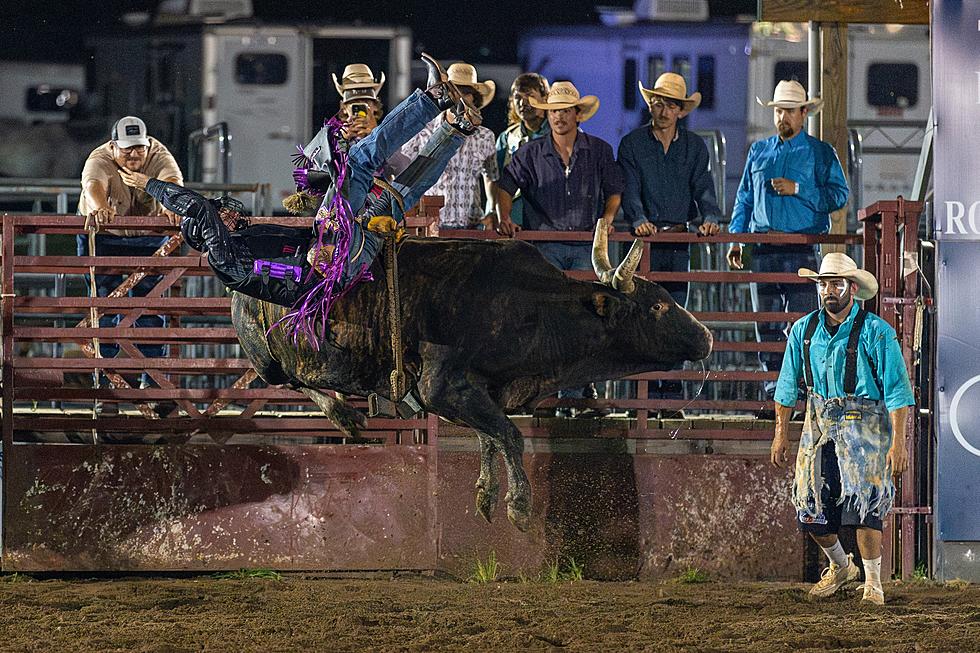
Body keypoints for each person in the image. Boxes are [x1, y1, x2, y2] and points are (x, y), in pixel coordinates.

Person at [120, 54, 482, 344]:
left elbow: (297, 238)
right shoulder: (223, 256)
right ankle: (447, 119)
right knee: (388, 189)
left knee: (375, 175)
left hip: (332, 248)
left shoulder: (244, 238)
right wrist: (150, 184)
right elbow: (208, 210)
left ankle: (450, 120)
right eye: (218, 218)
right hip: (331, 269)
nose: (226, 215)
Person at [770, 253, 913, 606]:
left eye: (835, 283)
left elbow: (897, 391)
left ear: (852, 288)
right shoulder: (803, 331)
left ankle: (873, 583)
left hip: (865, 425)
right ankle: (840, 566)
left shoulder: (878, 333)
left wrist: (898, 443)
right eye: (823, 284)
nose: (828, 290)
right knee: (811, 505)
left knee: (865, 505)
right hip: (818, 421)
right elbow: (787, 386)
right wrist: (780, 434)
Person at [495, 81, 624, 416]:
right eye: (553, 112)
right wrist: (504, 216)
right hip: (546, 245)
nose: (558, 118)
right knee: (548, 321)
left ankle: (578, 392)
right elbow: (505, 186)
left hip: (583, 243)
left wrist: (607, 218)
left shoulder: (598, 151)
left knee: (586, 319)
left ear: (577, 115)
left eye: (564, 111)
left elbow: (613, 190)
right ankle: (554, 393)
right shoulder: (531, 153)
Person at [727, 80, 849, 406]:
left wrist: (800, 189)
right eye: (779, 110)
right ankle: (774, 396)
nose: (782, 116)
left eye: (789, 111)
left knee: (803, 324)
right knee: (766, 324)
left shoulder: (821, 153)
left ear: (803, 113)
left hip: (801, 246)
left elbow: (840, 196)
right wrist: (736, 240)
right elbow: (744, 199)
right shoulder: (759, 150)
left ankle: (802, 394)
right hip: (764, 246)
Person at [77, 115, 184, 370]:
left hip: (147, 237)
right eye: (127, 149)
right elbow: (93, 183)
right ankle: (106, 381)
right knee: (104, 304)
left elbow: (173, 181)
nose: (134, 154)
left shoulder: (159, 155)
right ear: (113, 146)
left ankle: (152, 381)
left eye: (139, 147)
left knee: (149, 307)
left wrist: (171, 200)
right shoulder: (99, 158)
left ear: (147, 145)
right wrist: (101, 207)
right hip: (107, 238)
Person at [619, 72, 722, 307]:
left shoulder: (695, 147)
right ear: (650, 106)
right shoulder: (632, 143)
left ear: (680, 111)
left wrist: (710, 217)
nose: (664, 112)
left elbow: (703, 186)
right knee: (638, 311)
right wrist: (638, 219)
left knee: (674, 311)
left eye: (671, 105)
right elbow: (630, 187)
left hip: (677, 240)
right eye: (658, 104)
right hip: (642, 240)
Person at [400, 63, 498, 230]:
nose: (459, 97)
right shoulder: (422, 130)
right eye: (454, 91)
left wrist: (492, 210)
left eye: (465, 92)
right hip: (429, 226)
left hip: (470, 226)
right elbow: (401, 172)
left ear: (474, 98)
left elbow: (491, 177)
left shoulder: (485, 136)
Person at [486, 72, 550, 227]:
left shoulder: (558, 135)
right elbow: (495, 178)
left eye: (529, 95)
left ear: (545, 98)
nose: (523, 102)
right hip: (513, 219)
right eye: (517, 97)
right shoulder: (507, 137)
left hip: (549, 219)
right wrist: (493, 211)